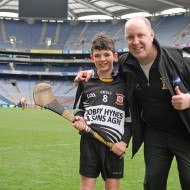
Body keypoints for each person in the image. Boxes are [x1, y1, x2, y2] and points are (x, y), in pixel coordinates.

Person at [74, 17, 190, 190]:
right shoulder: (125, 62)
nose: (136, 42)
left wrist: (189, 100)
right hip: (154, 132)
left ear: (151, 35)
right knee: (152, 183)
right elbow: (106, 71)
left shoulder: (178, 58)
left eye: (140, 35)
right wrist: (91, 72)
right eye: (130, 37)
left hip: (184, 131)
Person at [72, 32, 131, 190]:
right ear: (92, 58)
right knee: (86, 187)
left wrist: (124, 142)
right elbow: (78, 109)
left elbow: (129, 120)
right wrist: (80, 119)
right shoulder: (86, 82)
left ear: (115, 56)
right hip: (89, 143)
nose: (102, 59)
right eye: (97, 56)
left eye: (106, 54)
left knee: (112, 187)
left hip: (114, 145)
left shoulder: (124, 84)